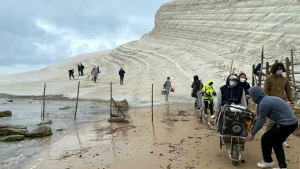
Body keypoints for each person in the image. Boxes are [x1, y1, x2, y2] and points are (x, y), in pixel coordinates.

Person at [247, 86, 298, 169]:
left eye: (251, 96)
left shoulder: (264, 103)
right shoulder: (268, 99)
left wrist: (252, 133)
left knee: (265, 139)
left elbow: (261, 121)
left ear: (255, 96)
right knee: (276, 143)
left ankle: (268, 161)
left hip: (286, 124)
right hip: (292, 123)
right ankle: (282, 166)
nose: (251, 99)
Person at [264, 62, 294, 148]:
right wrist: (267, 101)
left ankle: (282, 139)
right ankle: (267, 131)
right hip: (272, 101)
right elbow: (266, 91)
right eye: (277, 69)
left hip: (283, 101)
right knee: (274, 119)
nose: (279, 70)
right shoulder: (269, 79)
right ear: (274, 69)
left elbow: (288, 91)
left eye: (281, 69)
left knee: (284, 121)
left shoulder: (285, 79)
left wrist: (291, 102)